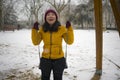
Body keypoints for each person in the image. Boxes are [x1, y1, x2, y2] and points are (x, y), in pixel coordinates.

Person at [31, 9, 74, 80]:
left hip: (59, 59)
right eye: (48, 15)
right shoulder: (42, 29)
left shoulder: (62, 29)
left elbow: (69, 41)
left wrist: (69, 29)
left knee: (58, 78)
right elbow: (36, 42)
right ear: (45, 18)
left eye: (53, 15)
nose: (50, 16)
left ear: (56, 17)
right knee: (44, 78)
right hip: (45, 59)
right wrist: (34, 30)